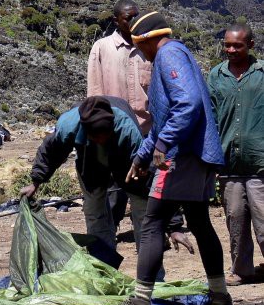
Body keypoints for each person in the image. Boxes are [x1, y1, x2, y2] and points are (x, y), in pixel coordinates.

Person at [102, 11, 237, 305]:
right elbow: (165, 119)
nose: (142, 56)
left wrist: (161, 149)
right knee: (201, 224)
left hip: (181, 157)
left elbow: (186, 105)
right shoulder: (177, 54)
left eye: (140, 48)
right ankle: (220, 303)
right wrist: (143, 155)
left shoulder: (168, 54)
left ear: (147, 40)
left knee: (151, 224)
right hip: (194, 155)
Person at [19, 96, 191, 266]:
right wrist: (35, 182)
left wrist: (172, 226)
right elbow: (50, 153)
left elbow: (153, 179)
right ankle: (104, 265)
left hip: (125, 159)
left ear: (112, 128)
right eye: (96, 136)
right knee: (94, 210)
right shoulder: (68, 126)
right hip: (90, 160)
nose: (101, 140)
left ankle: (151, 271)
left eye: (105, 135)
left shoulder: (127, 130)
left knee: (143, 207)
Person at [207, 23, 264, 286]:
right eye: (227, 45)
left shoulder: (262, 73)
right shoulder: (216, 76)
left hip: (260, 161)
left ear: (251, 45)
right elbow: (210, 117)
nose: (230, 50)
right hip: (229, 162)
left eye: (237, 45)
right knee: (235, 220)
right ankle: (242, 270)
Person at [87, 0, 150, 230]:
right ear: (116, 20)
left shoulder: (147, 48)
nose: (133, 21)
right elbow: (95, 92)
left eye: (136, 15)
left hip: (145, 130)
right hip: (114, 131)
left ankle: (147, 233)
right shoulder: (102, 48)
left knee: (144, 184)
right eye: (128, 17)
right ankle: (110, 232)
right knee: (114, 185)